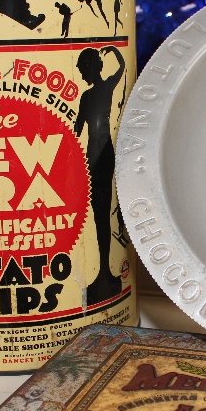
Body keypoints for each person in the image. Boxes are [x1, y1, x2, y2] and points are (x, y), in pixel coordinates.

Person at [74, 46, 126, 304]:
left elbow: (121, 70)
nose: (81, 73)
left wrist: (114, 51)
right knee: (98, 214)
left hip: (103, 155)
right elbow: (76, 129)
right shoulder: (86, 96)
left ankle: (105, 274)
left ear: (93, 68)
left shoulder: (105, 88)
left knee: (103, 211)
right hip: (91, 156)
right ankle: (103, 273)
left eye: (83, 68)